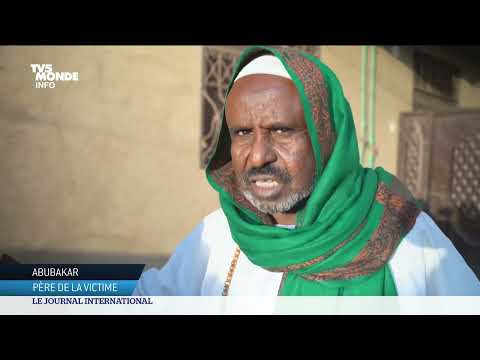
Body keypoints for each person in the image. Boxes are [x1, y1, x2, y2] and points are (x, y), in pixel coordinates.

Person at [133, 46, 480, 296]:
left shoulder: (406, 237)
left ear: (327, 136)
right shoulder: (218, 235)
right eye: (241, 133)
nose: (257, 158)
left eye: (282, 130)